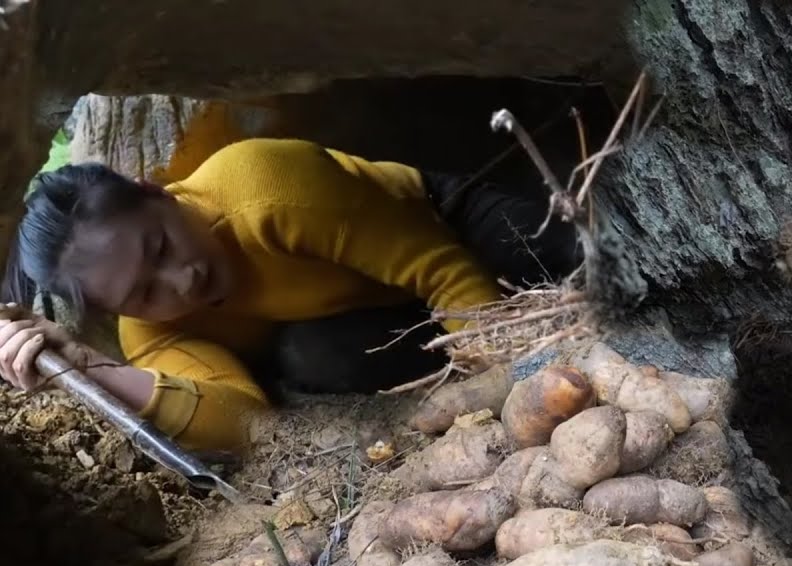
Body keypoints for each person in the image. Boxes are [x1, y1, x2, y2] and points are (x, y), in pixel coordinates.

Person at [0, 138, 582, 453]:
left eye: (159, 247)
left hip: (445, 226)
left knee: (576, 258)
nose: (181, 281)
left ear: (158, 193)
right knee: (313, 357)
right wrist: (87, 368)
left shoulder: (264, 189)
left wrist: (511, 385)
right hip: (364, 316)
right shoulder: (150, 335)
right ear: (119, 312)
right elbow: (243, 422)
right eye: (143, 293)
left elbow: (442, 271)